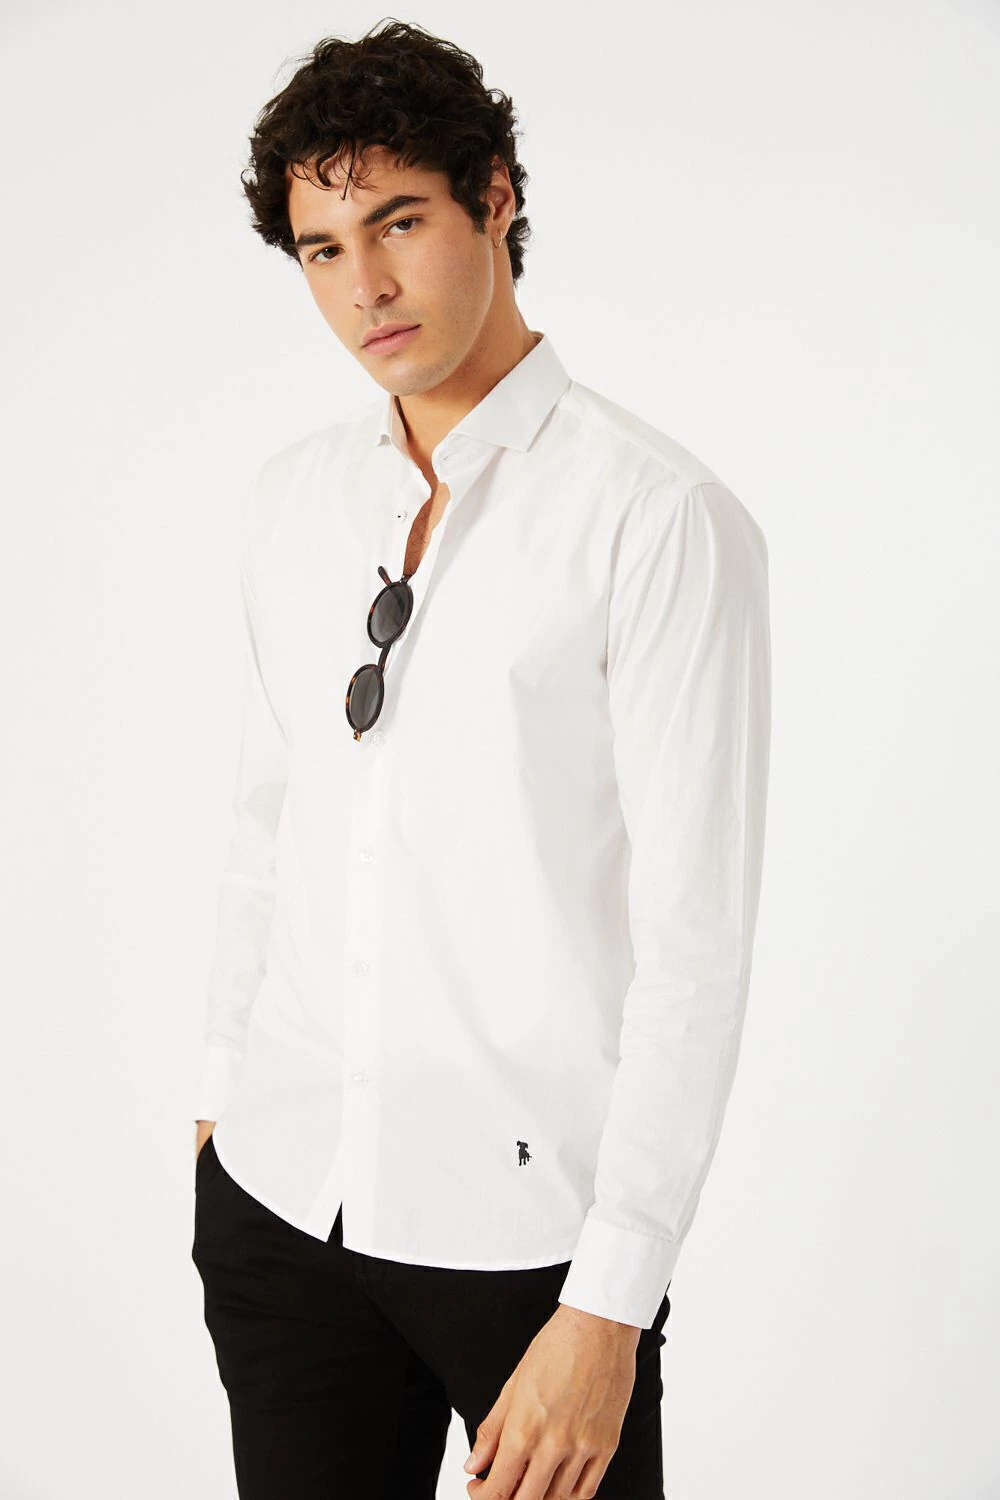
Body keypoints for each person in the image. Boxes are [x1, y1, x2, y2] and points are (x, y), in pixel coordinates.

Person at [190, 19, 772, 1500]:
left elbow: (694, 945)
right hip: (285, 1201)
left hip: (530, 1250)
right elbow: (268, 818)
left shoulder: (656, 518)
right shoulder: (288, 501)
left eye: (400, 223)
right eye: (323, 250)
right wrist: (221, 1089)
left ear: (494, 198)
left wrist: (612, 1303)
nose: (366, 288)